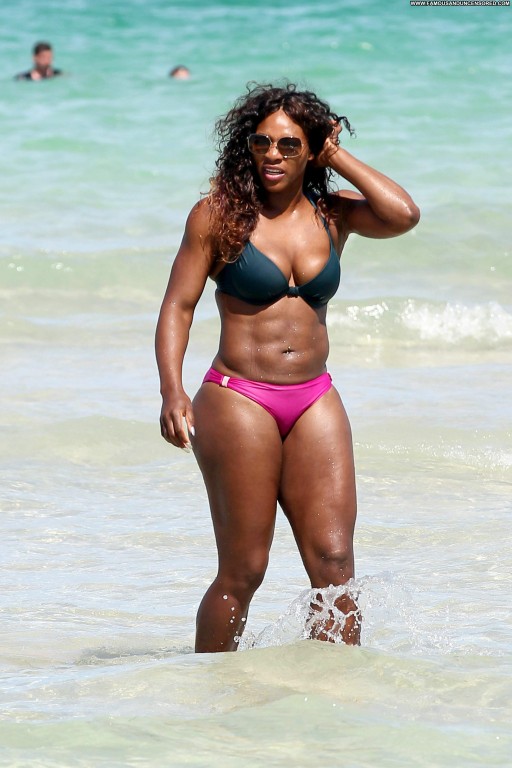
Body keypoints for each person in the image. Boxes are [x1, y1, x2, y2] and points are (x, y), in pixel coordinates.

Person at [155, 82, 420, 653]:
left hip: (314, 397)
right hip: (238, 397)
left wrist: (337, 155)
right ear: (246, 146)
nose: (272, 154)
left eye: (289, 144)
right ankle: (211, 688)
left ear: (311, 149)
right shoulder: (218, 216)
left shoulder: (333, 214)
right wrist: (172, 390)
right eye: (261, 142)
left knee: (335, 565)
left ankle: (334, 693)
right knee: (244, 569)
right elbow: (178, 306)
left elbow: (403, 215)